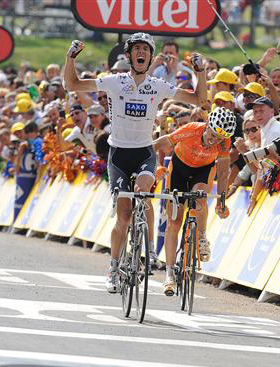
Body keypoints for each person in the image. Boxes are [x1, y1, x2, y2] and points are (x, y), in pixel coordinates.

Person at [63, 33, 207, 293]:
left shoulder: (158, 85)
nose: (141, 53)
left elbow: (198, 100)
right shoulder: (114, 82)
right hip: (118, 155)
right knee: (123, 216)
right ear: (129, 56)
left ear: (151, 57)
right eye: (136, 49)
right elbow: (72, 84)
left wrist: (201, 72)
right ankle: (114, 266)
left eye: (145, 50)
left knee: (144, 193)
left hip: (144, 153)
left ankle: (150, 248)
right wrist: (70, 57)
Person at [153, 107, 233, 295]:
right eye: (213, 135)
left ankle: (202, 237)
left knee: (200, 199)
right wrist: (156, 165)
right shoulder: (191, 129)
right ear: (207, 126)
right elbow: (158, 143)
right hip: (179, 170)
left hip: (202, 172)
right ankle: (170, 274)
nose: (215, 141)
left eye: (220, 139)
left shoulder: (224, 143)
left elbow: (222, 172)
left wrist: (221, 200)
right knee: (174, 222)